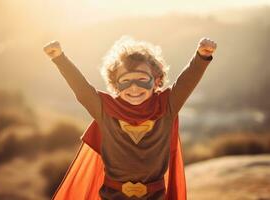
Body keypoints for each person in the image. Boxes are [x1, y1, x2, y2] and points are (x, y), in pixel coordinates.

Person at [43, 35, 217, 200]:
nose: (134, 88)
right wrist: (60, 59)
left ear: (156, 81)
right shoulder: (105, 109)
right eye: (126, 81)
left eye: (142, 79)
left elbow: (186, 82)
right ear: (115, 84)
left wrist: (201, 57)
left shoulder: (167, 106)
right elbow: (81, 89)